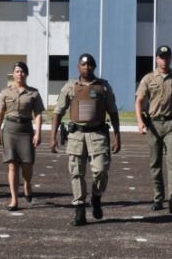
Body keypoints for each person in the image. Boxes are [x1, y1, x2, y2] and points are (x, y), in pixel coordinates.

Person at [50, 53, 121, 226]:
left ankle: (96, 197)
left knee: (101, 171)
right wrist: (52, 137)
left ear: (94, 67)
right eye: (83, 64)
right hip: (76, 136)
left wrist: (117, 136)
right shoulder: (70, 87)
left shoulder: (103, 87)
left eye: (90, 64)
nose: (87, 67)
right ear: (78, 67)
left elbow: (113, 112)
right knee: (76, 173)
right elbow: (58, 111)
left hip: (98, 135)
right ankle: (79, 209)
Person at [135, 45, 172, 214]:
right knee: (155, 163)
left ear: (170, 58)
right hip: (153, 125)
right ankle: (158, 198)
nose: (164, 60)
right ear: (156, 58)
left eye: (166, 57)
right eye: (161, 57)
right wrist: (140, 122)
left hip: (171, 125)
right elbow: (139, 101)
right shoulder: (149, 78)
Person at [0, 62, 45, 211]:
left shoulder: (33, 93)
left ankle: (27, 184)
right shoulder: (6, 92)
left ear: (26, 74)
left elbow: (38, 114)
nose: (19, 74)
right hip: (10, 130)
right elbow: (0, 114)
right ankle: (14, 199)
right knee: (12, 165)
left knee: (27, 164)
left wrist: (38, 133)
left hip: (26, 130)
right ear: (13, 74)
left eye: (22, 71)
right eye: (16, 71)